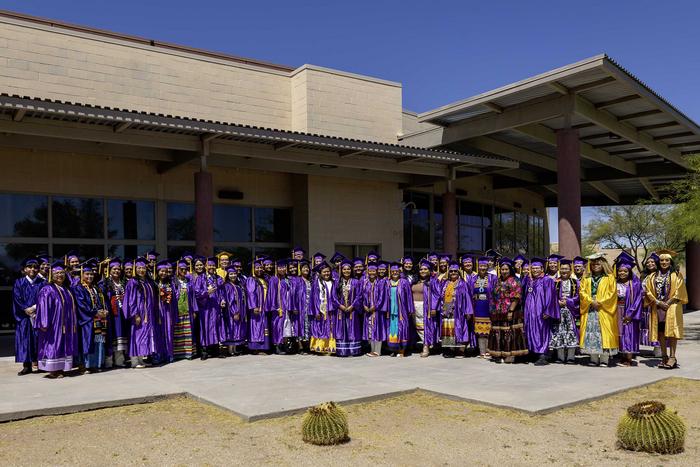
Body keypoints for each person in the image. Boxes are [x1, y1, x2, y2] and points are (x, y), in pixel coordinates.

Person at [35, 261, 79, 378]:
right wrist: (44, 323)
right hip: (53, 324)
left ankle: (61, 368)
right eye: (57, 273)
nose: (60, 275)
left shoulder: (66, 289)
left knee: (63, 345)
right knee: (54, 345)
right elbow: (43, 307)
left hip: (66, 325)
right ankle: (53, 370)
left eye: (62, 273)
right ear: (51, 275)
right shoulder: (47, 289)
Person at [645, 249, 687, 369]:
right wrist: (658, 302)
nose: (664, 262)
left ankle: (672, 357)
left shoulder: (676, 275)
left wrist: (667, 302)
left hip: (672, 307)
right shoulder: (652, 275)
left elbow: (679, 290)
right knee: (661, 332)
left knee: (672, 332)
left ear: (670, 261)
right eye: (662, 260)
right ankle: (664, 356)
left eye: (667, 260)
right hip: (657, 307)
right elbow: (648, 291)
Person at [579, 254, 619, 367]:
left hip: (604, 310)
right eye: (593, 264)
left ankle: (604, 360)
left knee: (604, 334)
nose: (595, 266)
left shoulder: (609, 278)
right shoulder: (586, 278)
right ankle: (593, 358)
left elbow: (612, 294)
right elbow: (582, 292)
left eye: (598, 264)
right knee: (591, 333)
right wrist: (591, 301)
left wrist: (600, 302)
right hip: (590, 309)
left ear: (603, 265)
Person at [123, 257, 159, 369]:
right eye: (139, 268)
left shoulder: (148, 281)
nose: (141, 270)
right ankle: (134, 360)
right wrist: (136, 314)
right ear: (135, 269)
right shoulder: (132, 282)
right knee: (137, 335)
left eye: (143, 268)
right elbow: (131, 300)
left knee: (143, 336)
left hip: (148, 314)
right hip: (139, 313)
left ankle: (141, 360)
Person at [488, 257, 527, 363]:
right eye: (502, 269)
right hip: (498, 312)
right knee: (499, 333)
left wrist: (511, 311)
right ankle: (499, 353)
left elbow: (517, 297)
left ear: (510, 270)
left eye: (506, 269)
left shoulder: (515, 281)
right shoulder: (498, 280)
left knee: (509, 334)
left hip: (511, 312)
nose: (504, 271)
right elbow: (493, 296)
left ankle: (510, 355)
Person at [522, 257, 559, 365]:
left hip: (541, 312)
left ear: (542, 269)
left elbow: (551, 297)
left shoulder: (547, 280)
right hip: (529, 312)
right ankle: (533, 353)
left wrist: (548, 311)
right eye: (533, 268)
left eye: (537, 268)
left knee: (541, 331)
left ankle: (543, 354)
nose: (535, 270)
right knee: (530, 330)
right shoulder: (529, 280)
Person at [74, 260, 110, 372]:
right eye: (87, 274)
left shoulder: (95, 287)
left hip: (97, 319)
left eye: (91, 274)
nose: (90, 276)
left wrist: (104, 311)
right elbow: (81, 305)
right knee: (87, 342)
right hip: (86, 321)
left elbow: (101, 301)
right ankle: (85, 365)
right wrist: (95, 312)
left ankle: (96, 364)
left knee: (97, 341)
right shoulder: (79, 288)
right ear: (82, 275)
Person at [13, 257, 45, 375]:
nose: (33, 269)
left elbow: (44, 299)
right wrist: (25, 309)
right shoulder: (19, 282)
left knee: (39, 339)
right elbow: (17, 298)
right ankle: (27, 366)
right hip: (25, 317)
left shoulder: (42, 283)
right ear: (24, 269)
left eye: (35, 267)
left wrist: (35, 308)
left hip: (38, 315)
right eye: (30, 267)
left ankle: (41, 364)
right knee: (26, 339)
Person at [99, 258, 129, 367]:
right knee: (112, 336)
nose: (116, 271)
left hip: (122, 314)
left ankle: (120, 360)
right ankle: (109, 361)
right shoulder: (106, 282)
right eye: (114, 269)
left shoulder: (123, 282)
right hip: (112, 314)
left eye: (118, 269)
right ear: (110, 270)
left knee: (121, 335)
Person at [549, 259, 580, 364]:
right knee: (559, 332)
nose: (564, 271)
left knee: (570, 332)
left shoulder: (575, 282)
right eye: (562, 268)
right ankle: (560, 357)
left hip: (570, 311)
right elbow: (550, 296)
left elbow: (578, 296)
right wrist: (558, 302)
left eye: (566, 269)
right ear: (559, 269)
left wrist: (568, 301)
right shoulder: (554, 282)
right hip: (558, 311)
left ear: (570, 270)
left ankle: (571, 357)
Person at [439, 261, 472, 357]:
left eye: (455, 271)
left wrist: (468, 311)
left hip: (459, 310)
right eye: (451, 271)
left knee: (459, 328)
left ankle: (460, 350)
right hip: (447, 308)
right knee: (449, 329)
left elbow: (467, 298)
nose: (453, 273)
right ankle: (450, 349)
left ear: (459, 273)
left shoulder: (463, 284)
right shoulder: (445, 283)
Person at [616, 253, 643, 366]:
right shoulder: (615, 282)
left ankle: (629, 358)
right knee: (620, 333)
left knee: (629, 334)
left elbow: (637, 300)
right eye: (620, 271)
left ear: (629, 272)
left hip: (629, 312)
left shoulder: (634, 284)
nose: (622, 273)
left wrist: (630, 313)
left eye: (625, 271)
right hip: (617, 310)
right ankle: (622, 355)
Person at [194, 257, 224, 359]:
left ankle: (215, 350)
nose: (211, 267)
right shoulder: (200, 278)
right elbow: (197, 293)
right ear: (206, 266)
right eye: (209, 265)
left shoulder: (218, 278)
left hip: (215, 307)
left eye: (213, 265)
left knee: (215, 326)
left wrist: (222, 300)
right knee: (205, 327)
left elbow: (221, 292)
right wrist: (207, 293)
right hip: (205, 307)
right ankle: (204, 351)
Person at [335, 258, 364, 357]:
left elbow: (359, 295)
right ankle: (343, 351)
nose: (346, 271)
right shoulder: (337, 282)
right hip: (340, 311)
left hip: (353, 311)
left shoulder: (356, 282)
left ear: (351, 270)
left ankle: (353, 350)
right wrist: (340, 306)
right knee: (342, 330)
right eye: (344, 269)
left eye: (348, 269)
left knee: (352, 329)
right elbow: (333, 297)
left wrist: (352, 306)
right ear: (341, 270)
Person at [309, 261, 338, 354]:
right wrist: (316, 311)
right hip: (321, 310)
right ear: (320, 273)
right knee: (320, 327)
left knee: (330, 328)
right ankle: (320, 347)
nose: (326, 273)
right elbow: (314, 298)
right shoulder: (316, 283)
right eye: (324, 272)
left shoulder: (333, 282)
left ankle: (330, 347)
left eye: (328, 271)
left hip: (331, 310)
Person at [386, 263, 414, 357]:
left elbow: (409, 296)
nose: (394, 273)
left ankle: (402, 350)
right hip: (391, 311)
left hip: (402, 311)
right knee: (393, 329)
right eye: (393, 271)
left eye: (396, 271)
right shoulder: (388, 282)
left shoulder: (404, 282)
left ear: (399, 272)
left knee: (402, 329)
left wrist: (410, 309)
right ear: (390, 272)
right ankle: (394, 349)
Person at [471, 257, 497, 358]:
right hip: (477, 306)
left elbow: (496, 293)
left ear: (487, 267)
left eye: (484, 266)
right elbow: (470, 293)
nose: (482, 268)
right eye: (481, 266)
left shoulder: (493, 278)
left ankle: (489, 350)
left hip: (488, 305)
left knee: (489, 330)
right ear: (478, 266)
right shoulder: (473, 278)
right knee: (480, 330)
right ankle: (482, 351)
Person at [415, 259, 440, 358]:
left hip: (426, 307)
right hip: (415, 308)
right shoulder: (415, 280)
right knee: (418, 328)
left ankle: (426, 347)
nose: (423, 271)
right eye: (421, 269)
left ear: (430, 271)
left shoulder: (433, 282)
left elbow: (437, 295)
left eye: (425, 269)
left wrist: (433, 307)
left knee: (427, 327)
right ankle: (424, 344)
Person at [173, 259, 197, 360]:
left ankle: (188, 353)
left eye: (185, 269)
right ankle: (178, 354)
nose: (183, 271)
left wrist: (195, 310)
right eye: (181, 269)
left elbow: (193, 297)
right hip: (177, 311)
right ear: (177, 270)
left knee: (188, 332)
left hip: (188, 311)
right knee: (178, 333)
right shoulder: (174, 282)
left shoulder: (189, 282)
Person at [246, 258, 271, 354]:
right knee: (256, 327)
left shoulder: (263, 279)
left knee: (263, 327)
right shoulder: (251, 280)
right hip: (257, 308)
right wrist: (253, 306)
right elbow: (251, 293)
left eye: (261, 267)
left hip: (263, 307)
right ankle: (255, 348)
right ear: (253, 269)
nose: (259, 269)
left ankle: (263, 347)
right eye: (257, 268)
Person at [221, 265, 247, 356]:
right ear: (228, 275)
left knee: (237, 329)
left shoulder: (238, 285)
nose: (233, 276)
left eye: (234, 274)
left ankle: (234, 349)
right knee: (231, 329)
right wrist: (234, 312)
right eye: (231, 274)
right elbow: (230, 301)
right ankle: (230, 350)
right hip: (231, 312)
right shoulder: (227, 286)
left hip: (239, 311)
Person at [155, 260, 178, 363]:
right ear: (157, 271)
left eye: (165, 271)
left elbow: (174, 300)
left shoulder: (171, 284)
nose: (163, 273)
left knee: (168, 332)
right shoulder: (154, 283)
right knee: (158, 334)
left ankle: (169, 355)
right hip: (158, 312)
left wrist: (174, 313)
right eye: (161, 271)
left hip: (168, 312)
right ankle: (158, 356)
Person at [362, 263, 386, 357]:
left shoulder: (380, 283)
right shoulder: (365, 283)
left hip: (377, 311)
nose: (372, 273)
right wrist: (364, 305)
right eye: (370, 271)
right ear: (367, 272)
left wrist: (375, 306)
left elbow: (382, 297)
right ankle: (372, 350)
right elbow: (362, 296)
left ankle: (378, 351)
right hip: (367, 311)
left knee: (377, 330)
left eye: (373, 271)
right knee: (370, 330)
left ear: (376, 272)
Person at [640, 254, 662, 357]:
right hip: (645, 305)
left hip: (656, 304)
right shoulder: (644, 275)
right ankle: (655, 348)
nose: (650, 264)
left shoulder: (660, 275)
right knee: (649, 327)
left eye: (652, 262)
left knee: (657, 326)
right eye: (648, 262)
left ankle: (659, 350)